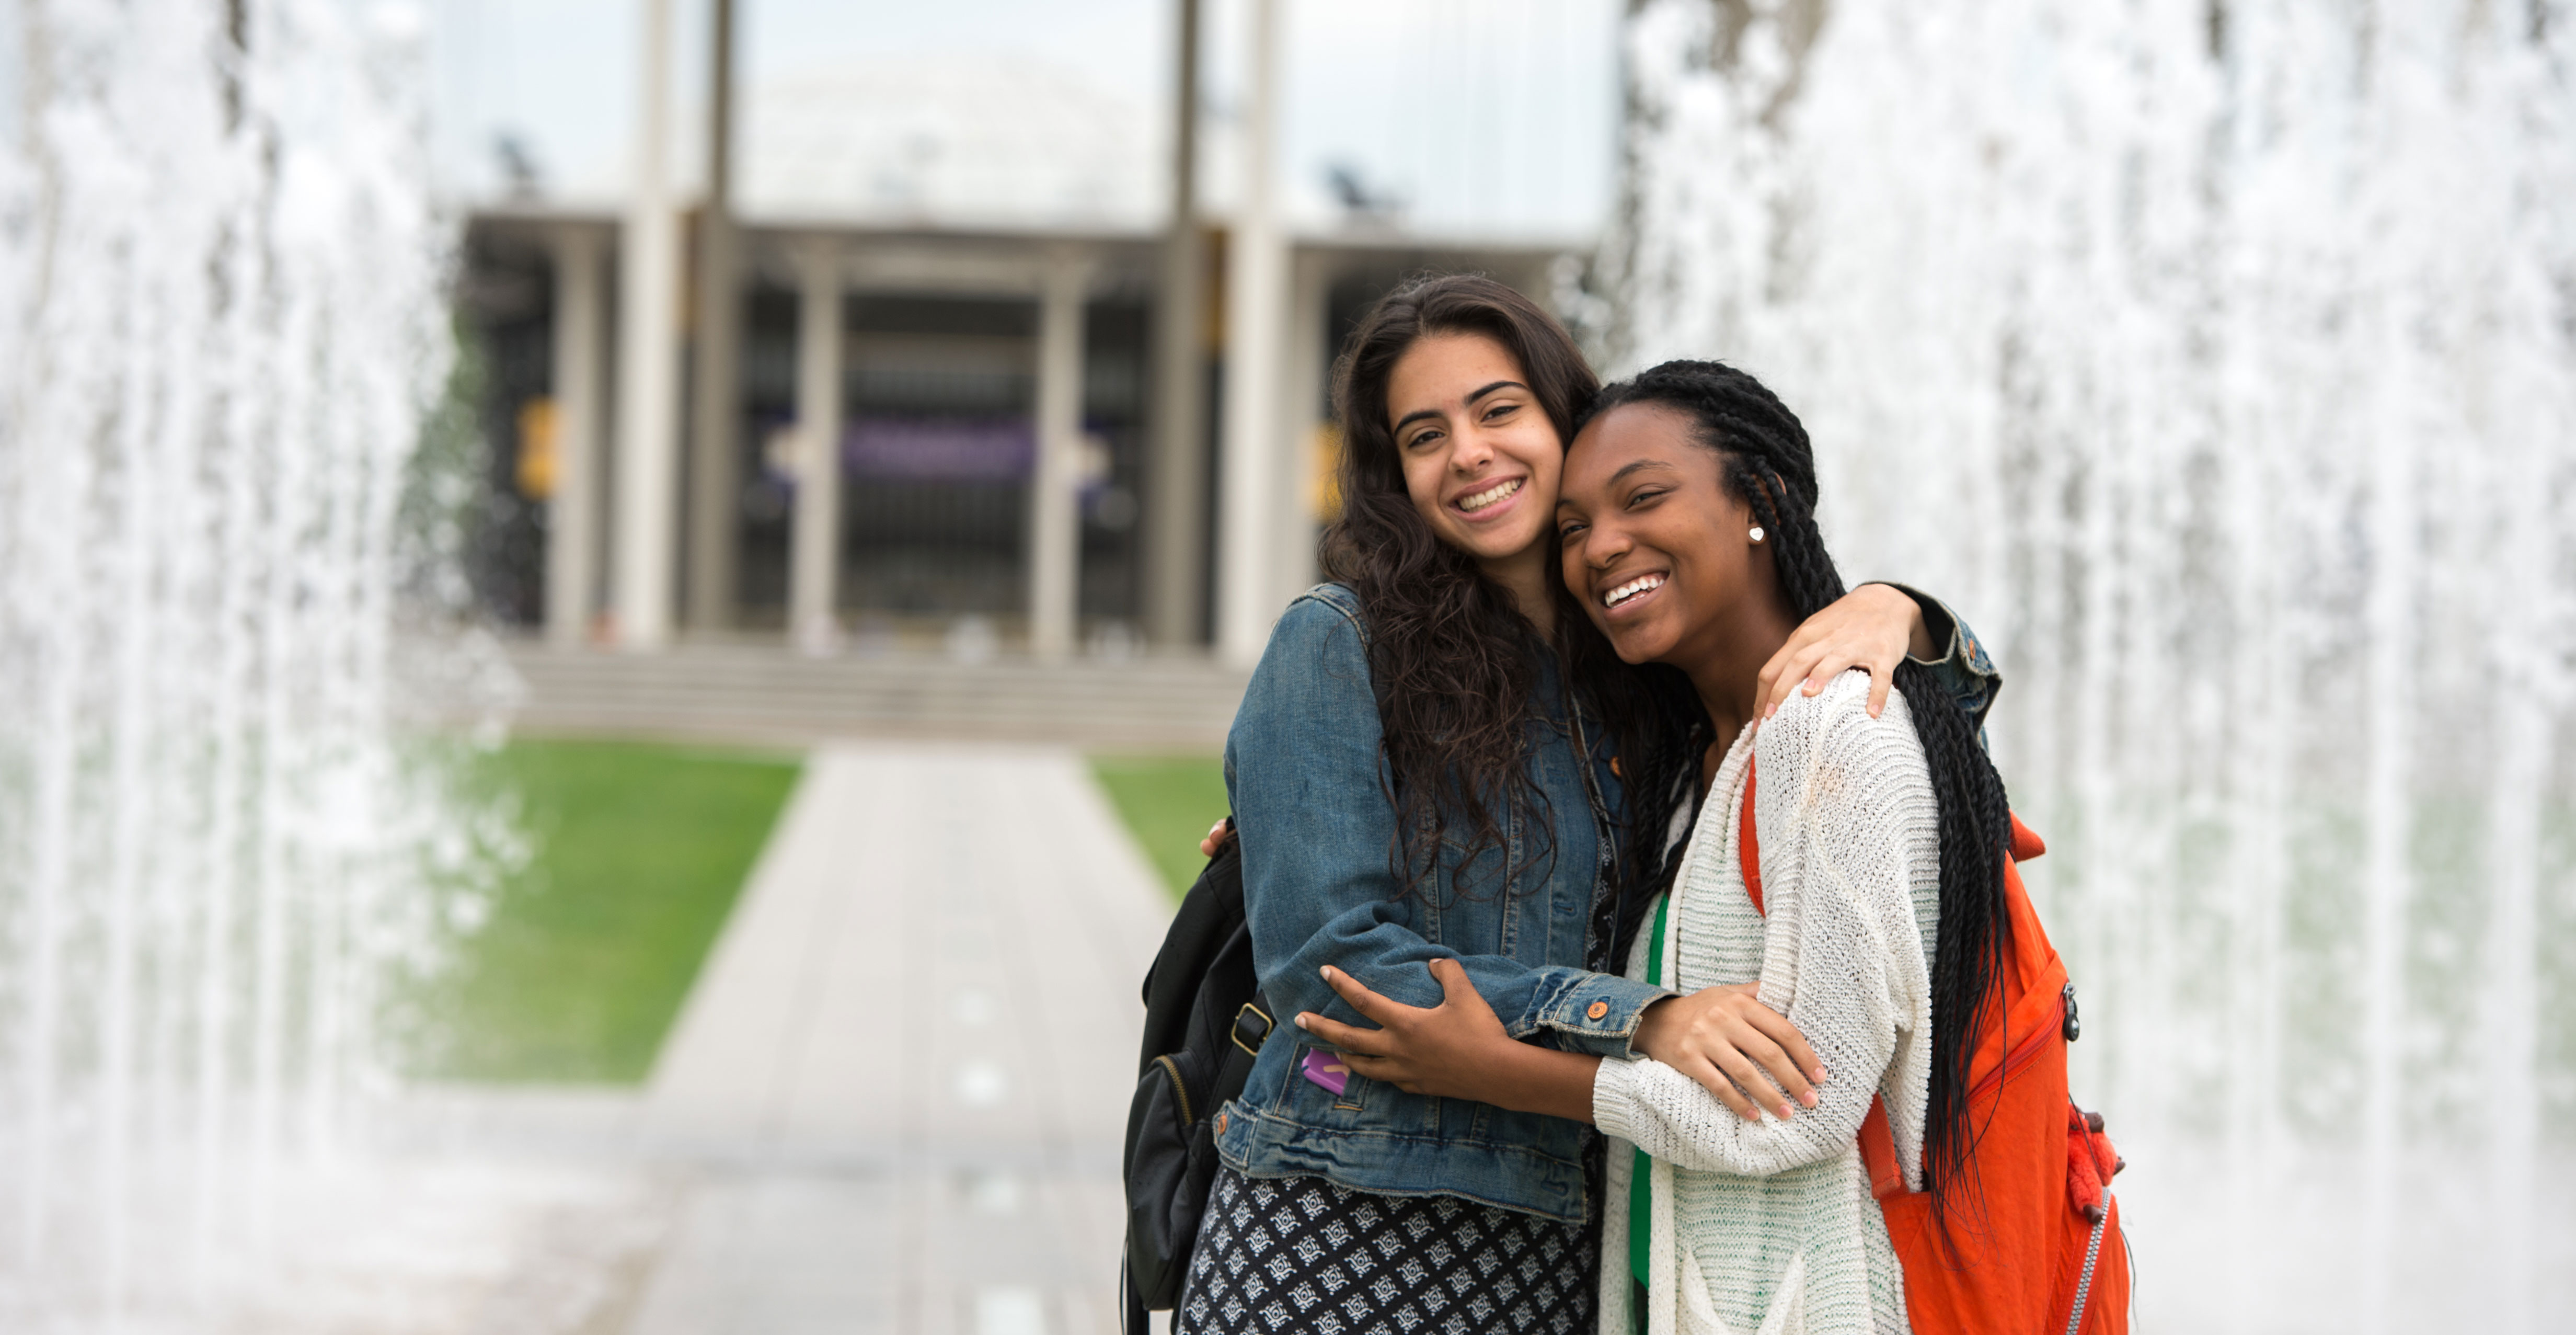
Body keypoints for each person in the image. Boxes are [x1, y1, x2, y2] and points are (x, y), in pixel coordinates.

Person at [1175, 276, 2002, 1335]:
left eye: (1498, 409)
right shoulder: (1341, 643)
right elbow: (1330, 961)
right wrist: (1640, 1015)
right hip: (1347, 1221)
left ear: (1565, 418)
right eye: (1424, 435)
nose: (1468, 451)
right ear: (1396, 476)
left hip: (1563, 1244)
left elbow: (1912, 740)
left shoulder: (1631, 668)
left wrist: (1906, 612)